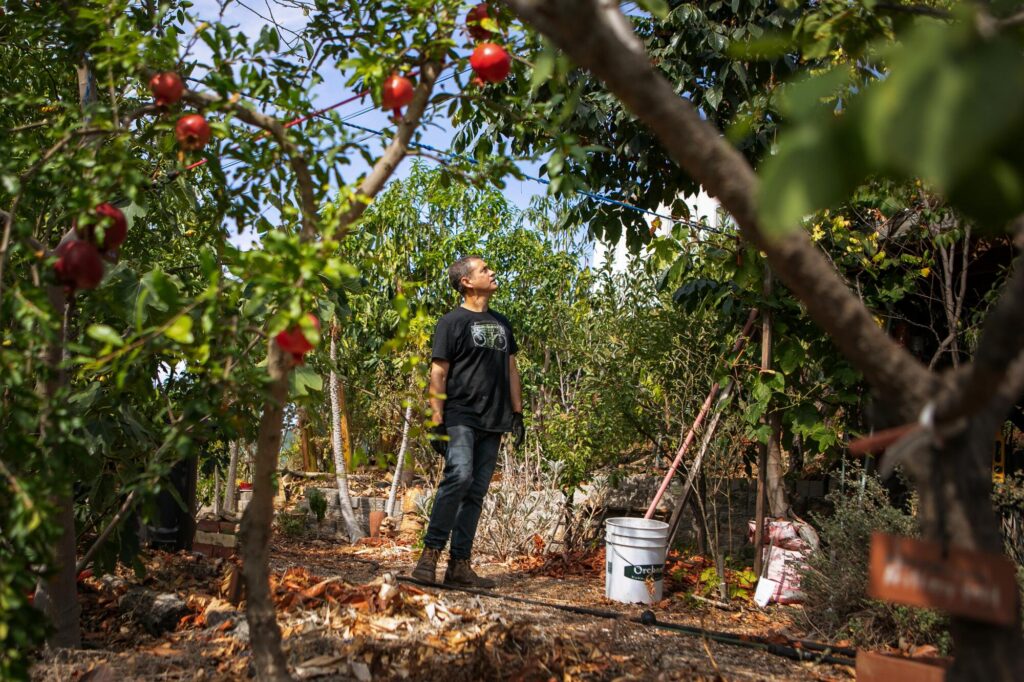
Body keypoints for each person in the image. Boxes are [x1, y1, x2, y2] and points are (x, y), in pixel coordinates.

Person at [411, 255, 525, 587]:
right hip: (460, 415)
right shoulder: (451, 322)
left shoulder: (503, 323)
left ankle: (459, 565)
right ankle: (429, 555)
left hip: (495, 420)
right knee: (459, 476)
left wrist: (517, 414)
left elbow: (511, 370)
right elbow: (439, 372)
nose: (492, 273)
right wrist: (436, 419)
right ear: (466, 282)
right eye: (484, 270)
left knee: (475, 492)